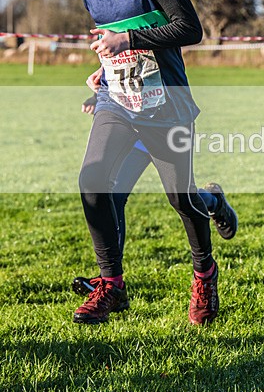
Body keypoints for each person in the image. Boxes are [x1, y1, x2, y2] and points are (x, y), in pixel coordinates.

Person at [73, 0, 219, 325]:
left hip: (165, 104)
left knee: (182, 199)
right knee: (93, 179)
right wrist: (104, 68)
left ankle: (204, 274)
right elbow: (107, 38)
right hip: (116, 99)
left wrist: (129, 40)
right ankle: (111, 285)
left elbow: (188, 29)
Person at [72, 89, 238, 296]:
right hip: (131, 133)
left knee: (182, 197)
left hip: (165, 126)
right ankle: (110, 282)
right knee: (114, 197)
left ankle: (214, 201)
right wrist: (98, 95)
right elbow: (124, 69)